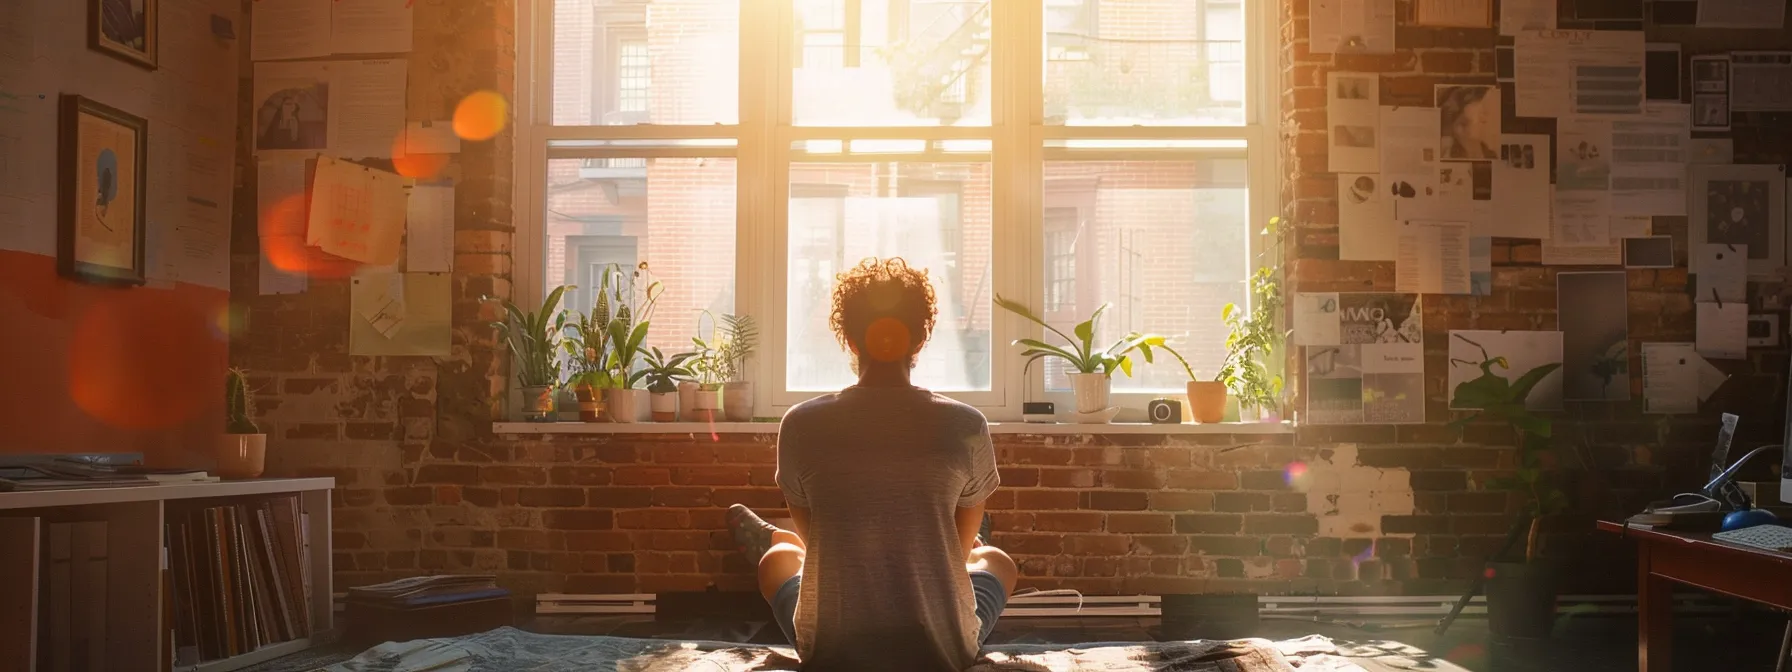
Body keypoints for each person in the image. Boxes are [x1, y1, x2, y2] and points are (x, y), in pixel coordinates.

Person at [727, 257, 1017, 671]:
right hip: (941, 651)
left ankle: (774, 540)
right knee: (993, 559)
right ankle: (943, 509)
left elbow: (817, 543)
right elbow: (955, 551)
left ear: (848, 338)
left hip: (833, 650)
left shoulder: (801, 423)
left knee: (781, 560)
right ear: (920, 338)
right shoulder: (966, 425)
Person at [1438, 86, 1498, 160]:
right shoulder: (1445, 151)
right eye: (1482, 113)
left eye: (1484, 112)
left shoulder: (1490, 155)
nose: (1484, 119)